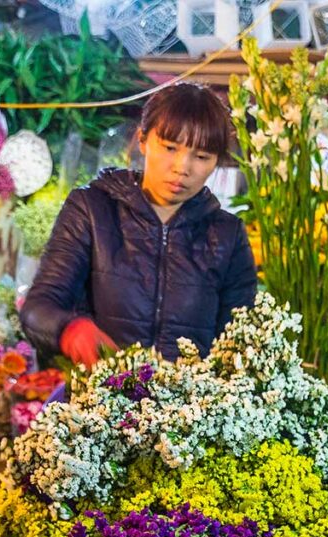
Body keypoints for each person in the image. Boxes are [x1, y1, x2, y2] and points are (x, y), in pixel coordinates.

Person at [21, 81, 258, 366]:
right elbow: (38, 309)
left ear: (217, 162)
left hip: (189, 406)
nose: (182, 168)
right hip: (102, 401)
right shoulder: (92, 210)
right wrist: (69, 330)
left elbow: (241, 340)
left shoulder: (227, 236)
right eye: (170, 147)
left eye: (202, 156)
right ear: (143, 141)